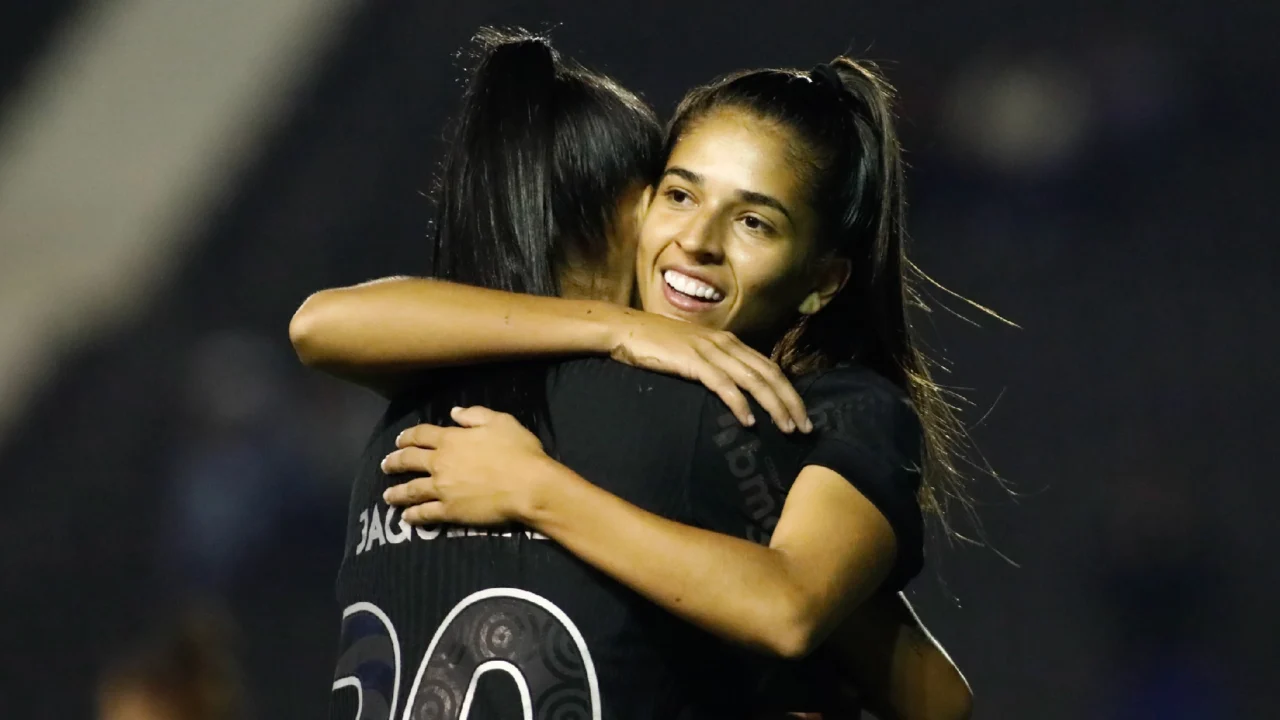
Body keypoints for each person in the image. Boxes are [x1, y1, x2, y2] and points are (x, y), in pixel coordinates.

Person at [294, 31, 971, 719]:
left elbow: (823, 628)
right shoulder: (568, 379)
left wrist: (537, 490)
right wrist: (617, 327)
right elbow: (321, 326)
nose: (699, 241)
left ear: (822, 282)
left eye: (755, 223)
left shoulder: (820, 413)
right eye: (680, 196)